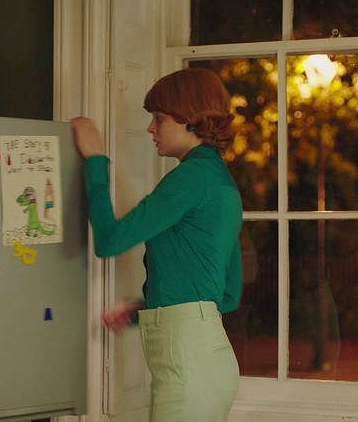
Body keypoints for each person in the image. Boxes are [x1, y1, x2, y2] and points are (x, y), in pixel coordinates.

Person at [72, 68, 243, 422]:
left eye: (159, 118)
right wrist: (143, 308)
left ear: (190, 119)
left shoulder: (191, 177)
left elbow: (109, 240)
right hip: (207, 362)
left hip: (189, 367)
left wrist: (95, 160)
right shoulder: (219, 180)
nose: (151, 128)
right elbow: (227, 295)